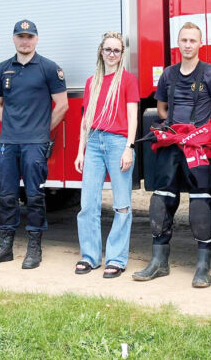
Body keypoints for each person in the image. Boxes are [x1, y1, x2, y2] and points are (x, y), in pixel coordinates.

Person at [132, 22, 211, 287]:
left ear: (200, 43)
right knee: (160, 203)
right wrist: (177, 129)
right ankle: (159, 262)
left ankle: (202, 267)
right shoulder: (168, 75)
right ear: (178, 43)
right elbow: (161, 108)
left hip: (200, 148)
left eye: (192, 40)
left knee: (200, 207)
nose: (187, 45)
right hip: (172, 147)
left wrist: (206, 132)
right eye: (183, 40)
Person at [0, 20, 68, 270]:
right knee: (6, 195)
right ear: (14, 39)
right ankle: (5, 246)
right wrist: (7, 121)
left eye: (29, 37)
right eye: (21, 37)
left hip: (35, 143)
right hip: (8, 141)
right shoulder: (2, 69)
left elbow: (62, 105)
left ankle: (34, 246)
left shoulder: (49, 69)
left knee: (34, 196)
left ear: (36, 39)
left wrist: (40, 130)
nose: (25, 41)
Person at [74, 32, 140, 278]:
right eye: (108, 49)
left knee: (122, 204)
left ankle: (116, 258)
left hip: (117, 143)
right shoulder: (93, 81)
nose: (112, 54)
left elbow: (133, 116)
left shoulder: (128, 81)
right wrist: (80, 150)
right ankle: (89, 257)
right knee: (88, 204)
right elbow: (86, 119)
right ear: (101, 51)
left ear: (122, 55)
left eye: (116, 50)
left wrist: (128, 148)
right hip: (93, 142)